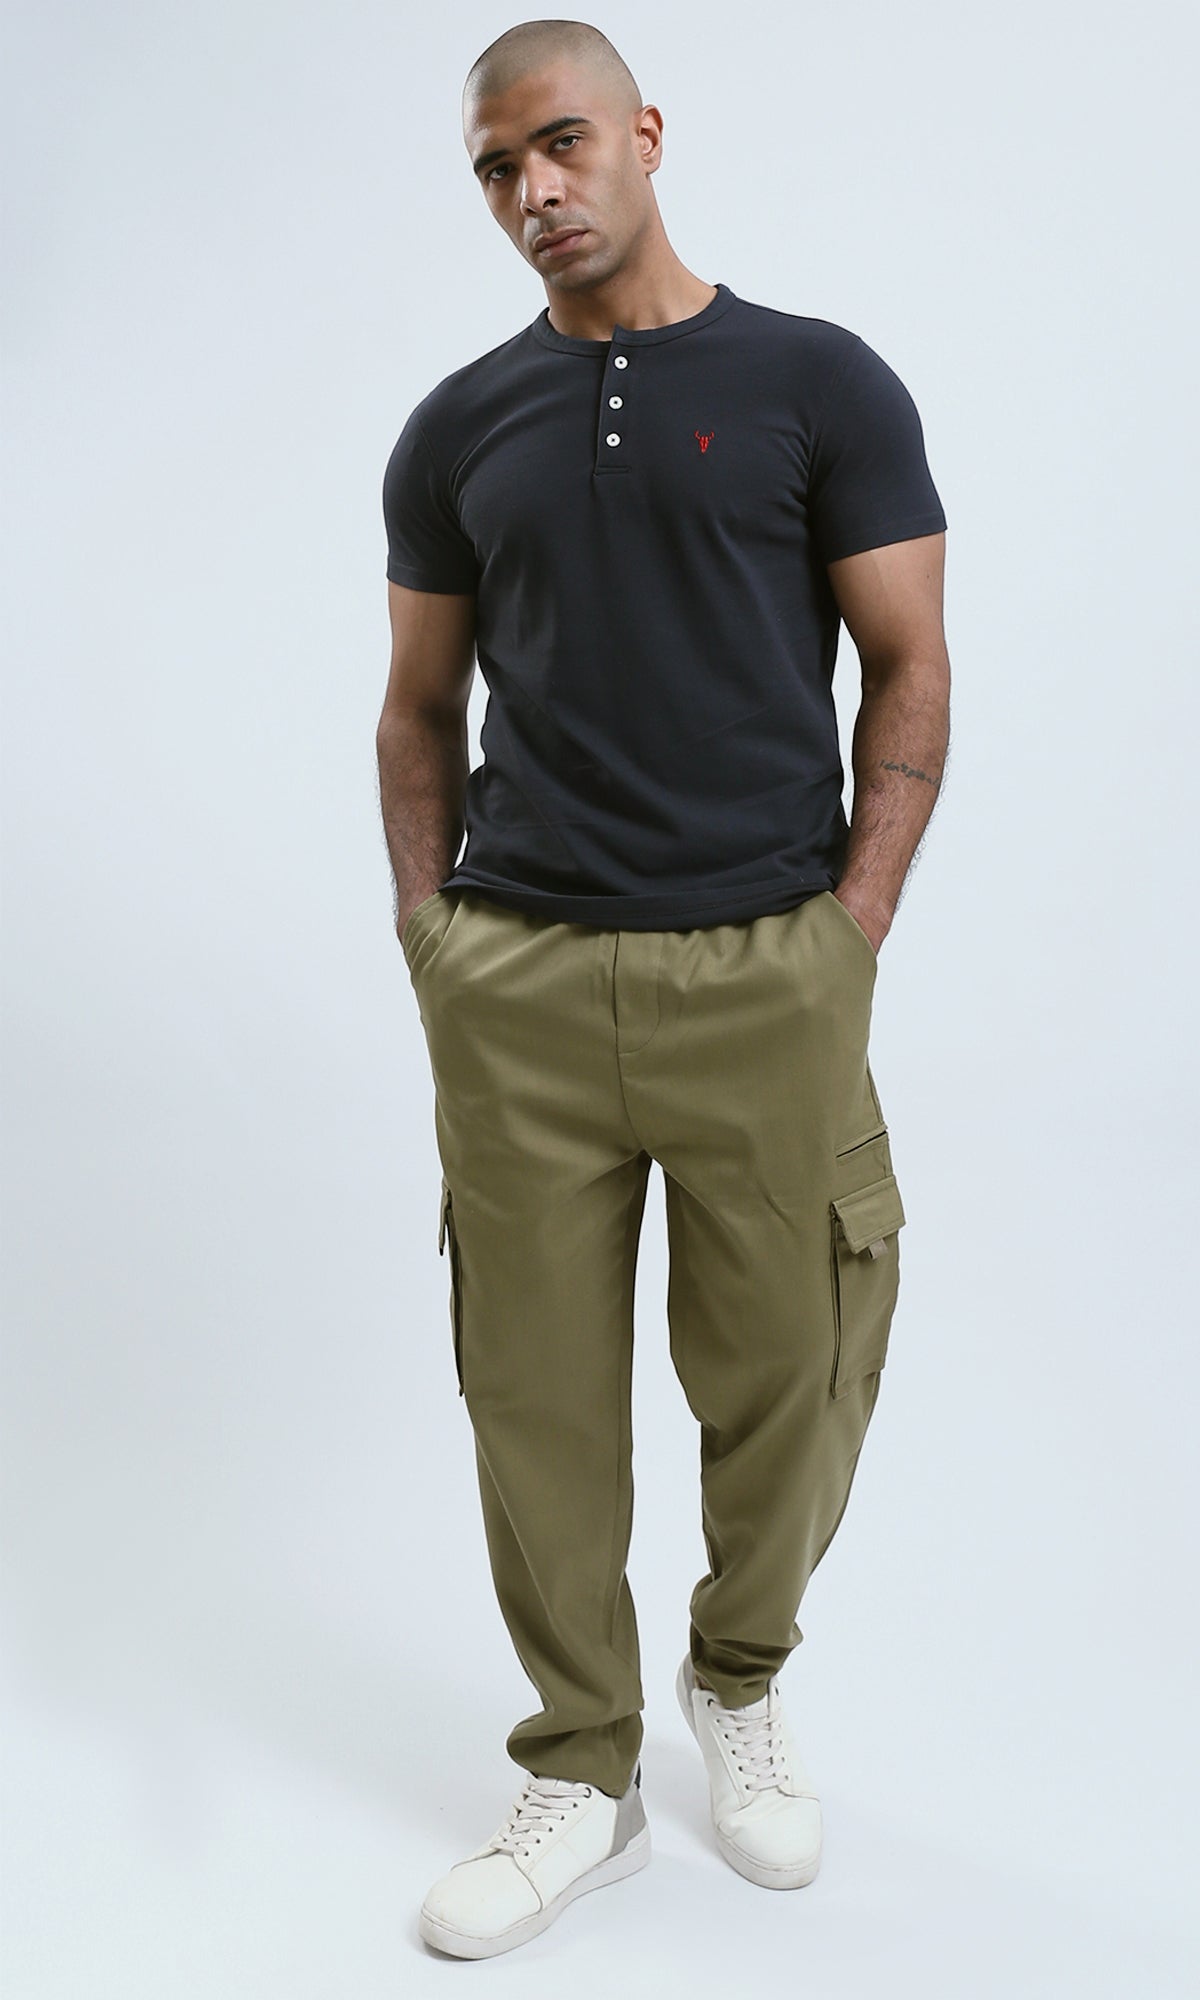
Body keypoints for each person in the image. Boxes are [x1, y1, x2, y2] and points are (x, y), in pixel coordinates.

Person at [376, 17, 950, 1962]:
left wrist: (850, 928)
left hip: (766, 967)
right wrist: (433, 934)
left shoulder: (819, 382)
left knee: (796, 1374)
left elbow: (911, 667)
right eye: (495, 168)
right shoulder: (458, 426)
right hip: (520, 981)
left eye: (558, 144)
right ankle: (584, 1765)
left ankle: (739, 1670)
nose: (532, 191)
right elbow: (417, 706)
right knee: (532, 1402)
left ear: (642, 131)